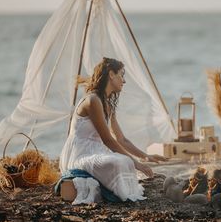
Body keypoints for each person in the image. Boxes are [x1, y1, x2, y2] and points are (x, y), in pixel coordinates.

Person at [60, 57, 167, 202]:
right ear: (111, 74)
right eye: (121, 75)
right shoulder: (93, 100)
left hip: (96, 151)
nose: (124, 81)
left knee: (124, 161)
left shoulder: (107, 104)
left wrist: (145, 157)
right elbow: (108, 140)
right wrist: (137, 164)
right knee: (121, 162)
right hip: (81, 153)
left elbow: (121, 139)